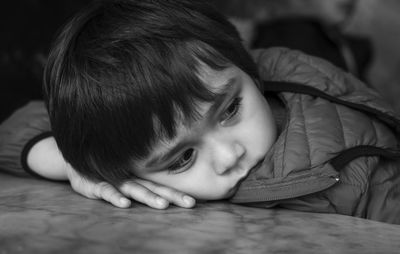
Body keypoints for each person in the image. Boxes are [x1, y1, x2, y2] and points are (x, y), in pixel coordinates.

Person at [1, 0, 399, 224]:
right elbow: (15, 127)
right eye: (183, 157)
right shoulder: (214, 86)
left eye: (229, 111)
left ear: (247, 70)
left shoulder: (355, 176)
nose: (230, 156)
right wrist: (78, 166)